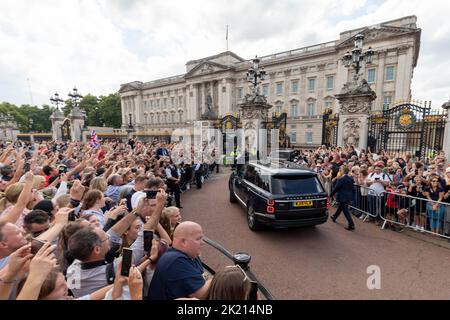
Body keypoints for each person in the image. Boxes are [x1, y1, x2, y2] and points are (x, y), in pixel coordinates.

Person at [148, 221, 211, 300]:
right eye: (198, 239)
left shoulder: (189, 255)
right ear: (183, 242)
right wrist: (218, 279)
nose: (203, 243)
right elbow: (199, 294)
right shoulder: (176, 261)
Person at [330, 166, 355, 231]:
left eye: (340, 170)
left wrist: (330, 195)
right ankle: (334, 216)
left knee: (345, 211)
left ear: (343, 171)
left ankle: (351, 224)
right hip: (348, 196)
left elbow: (336, 188)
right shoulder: (351, 178)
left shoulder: (341, 179)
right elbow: (352, 188)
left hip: (342, 196)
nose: (340, 171)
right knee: (340, 207)